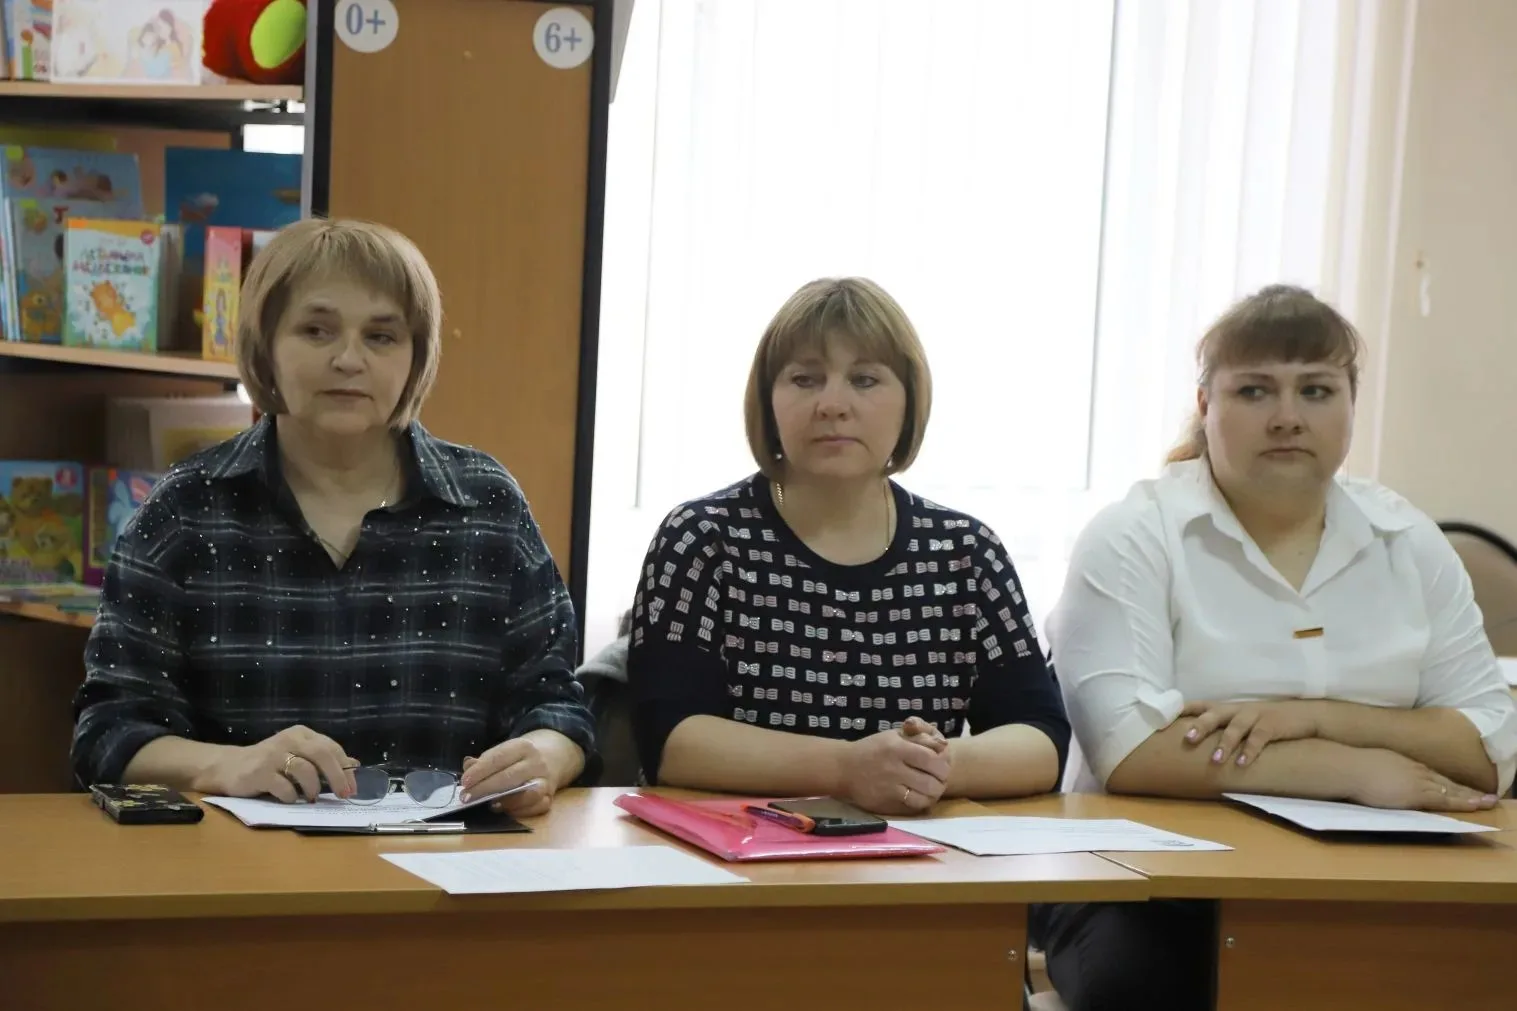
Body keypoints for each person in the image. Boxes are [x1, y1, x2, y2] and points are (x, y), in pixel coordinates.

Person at [1036, 284, 1517, 1011]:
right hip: (1148, 882)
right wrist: (1355, 770)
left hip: (1384, 872)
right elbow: (1131, 752)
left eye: (1315, 390)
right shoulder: (1134, 534)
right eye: (1255, 390)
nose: (1287, 417)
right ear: (1206, 405)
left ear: (1350, 406)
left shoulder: (1407, 539)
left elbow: (1489, 748)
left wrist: (1318, 718)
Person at [70, 217, 597, 816]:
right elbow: (108, 732)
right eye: (316, 330)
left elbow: (558, 707)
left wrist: (543, 757)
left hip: (446, 859)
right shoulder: (185, 510)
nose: (349, 359)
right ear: (266, 346)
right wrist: (226, 765)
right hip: (235, 861)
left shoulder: (487, 505)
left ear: (415, 356)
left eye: (381, 336)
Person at [626, 276, 1069, 815]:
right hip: (733, 852)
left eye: (864, 380)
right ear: (767, 401)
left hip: (917, 852)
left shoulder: (966, 553)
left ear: (910, 402)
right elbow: (669, 738)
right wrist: (847, 769)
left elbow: (1041, 738)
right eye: (805, 379)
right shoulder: (703, 539)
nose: (832, 404)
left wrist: (924, 767)